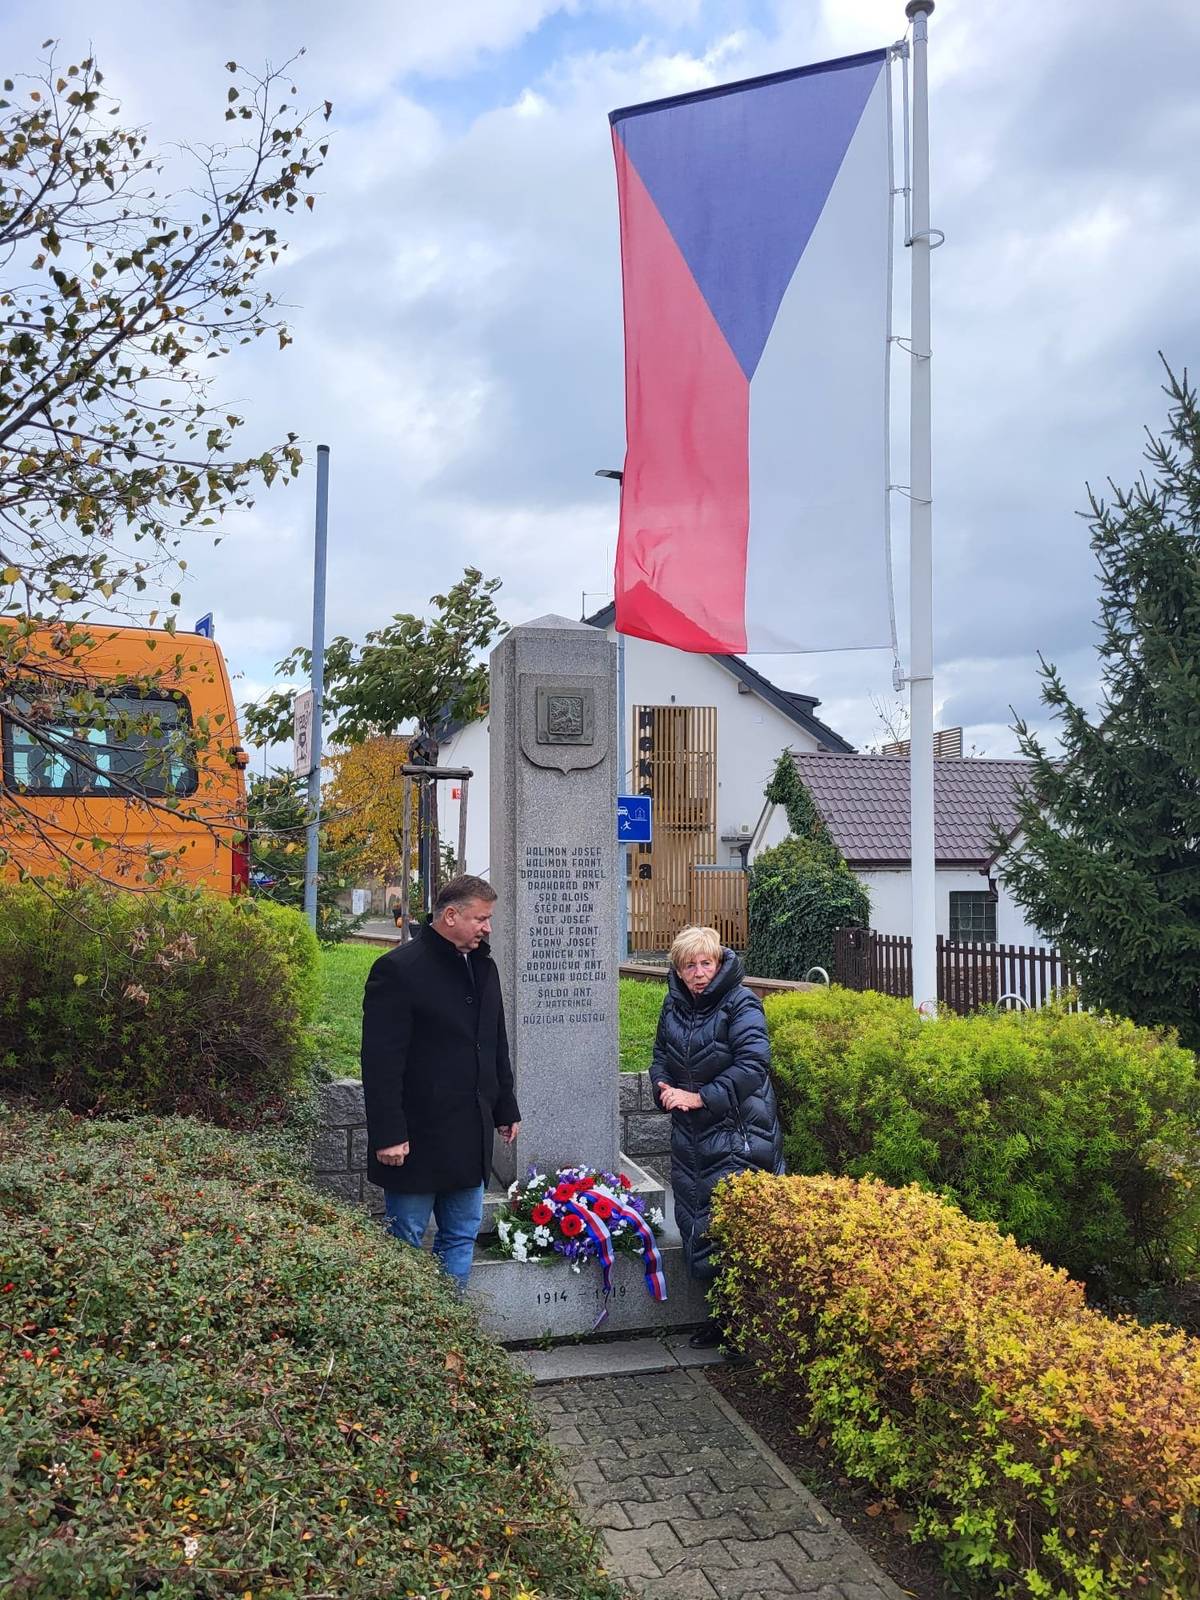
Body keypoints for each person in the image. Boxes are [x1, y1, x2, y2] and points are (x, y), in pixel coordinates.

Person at [361, 874, 520, 1289]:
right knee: (406, 1243)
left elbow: (494, 1042)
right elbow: (380, 1063)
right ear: (451, 916)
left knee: (460, 1239)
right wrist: (388, 1134)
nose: (487, 927)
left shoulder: (484, 967)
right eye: (480, 918)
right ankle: (411, 1342)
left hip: (470, 1136)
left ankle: (454, 1336)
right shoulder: (397, 970)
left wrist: (505, 1106)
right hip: (415, 1140)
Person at [651, 925, 784, 1347]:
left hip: (738, 1133)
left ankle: (743, 1324)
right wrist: (665, 1091)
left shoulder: (741, 1002)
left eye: (706, 962)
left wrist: (699, 1098)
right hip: (691, 1136)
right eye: (689, 965)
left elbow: (752, 1065)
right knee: (696, 1221)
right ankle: (724, 1317)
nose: (698, 972)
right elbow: (659, 1058)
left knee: (734, 1229)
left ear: (719, 961)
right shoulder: (673, 1007)